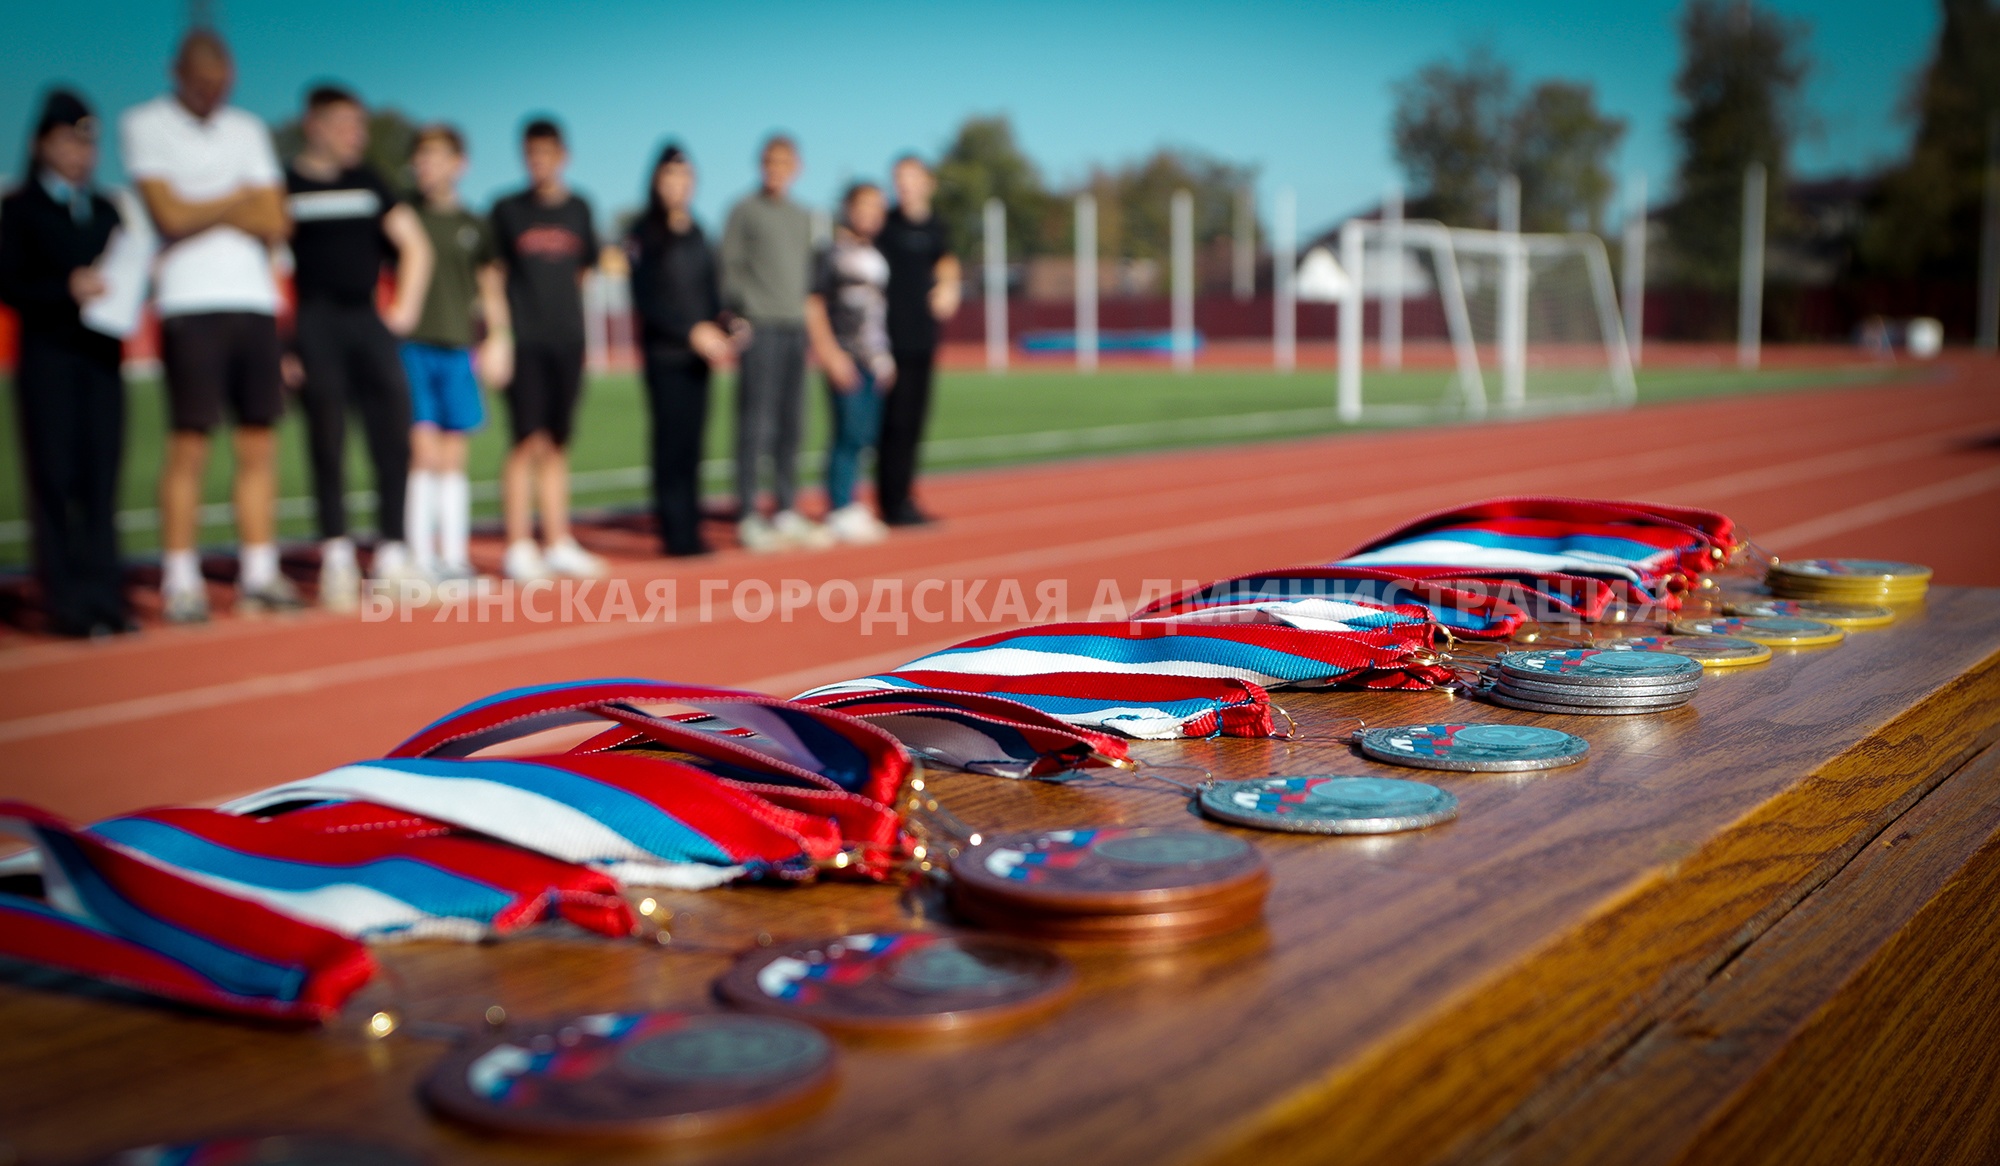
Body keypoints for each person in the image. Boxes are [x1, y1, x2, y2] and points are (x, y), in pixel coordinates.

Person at [121, 28, 295, 621]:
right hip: (189, 304)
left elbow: (275, 217)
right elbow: (166, 212)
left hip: (254, 302)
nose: (211, 91)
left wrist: (203, 204)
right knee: (190, 445)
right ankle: (181, 579)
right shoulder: (145, 124)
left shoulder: (247, 129)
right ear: (177, 72)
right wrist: (236, 201)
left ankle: (260, 572)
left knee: (258, 445)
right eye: (201, 81)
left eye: (221, 82)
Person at [284, 85, 433, 610]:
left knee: (393, 430)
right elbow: (272, 260)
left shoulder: (370, 182)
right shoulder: (288, 185)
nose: (358, 135)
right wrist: (287, 341)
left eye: (361, 125)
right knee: (326, 436)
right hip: (314, 320)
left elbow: (415, 243)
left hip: (368, 319)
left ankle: (393, 553)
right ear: (316, 125)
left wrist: (403, 312)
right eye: (348, 124)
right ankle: (338, 558)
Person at [0, 90, 132, 636]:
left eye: (87, 142)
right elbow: (9, 283)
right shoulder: (19, 209)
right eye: (66, 141)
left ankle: (108, 597)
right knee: (55, 477)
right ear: (39, 144)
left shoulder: (107, 211)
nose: (79, 153)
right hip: (49, 358)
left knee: (101, 481)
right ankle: (67, 603)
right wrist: (65, 288)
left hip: (103, 360)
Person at [488, 117, 605, 580]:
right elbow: (494, 275)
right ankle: (518, 545)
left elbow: (585, 273)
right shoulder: (507, 210)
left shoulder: (580, 208)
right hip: (525, 342)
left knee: (557, 442)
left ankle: (557, 540)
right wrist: (499, 335)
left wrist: (581, 332)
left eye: (547, 154)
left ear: (563, 157)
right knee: (525, 442)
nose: (539, 163)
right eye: (531, 154)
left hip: (567, 340)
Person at [401, 123, 508, 581]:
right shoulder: (404, 216)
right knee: (422, 451)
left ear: (459, 164)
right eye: (421, 156)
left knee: (452, 453)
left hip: (458, 348)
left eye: (438, 155)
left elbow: (490, 285)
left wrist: (501, 337)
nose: (428, 165)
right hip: (412, 347)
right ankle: (419, 559)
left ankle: (453, 557)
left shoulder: (473, 225)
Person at [626, 144, 742, 557]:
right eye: (669, 177)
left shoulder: (699, 233)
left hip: (699, 359)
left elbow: (712, 296)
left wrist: (729, 326)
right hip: (665, 356)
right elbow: (644, 300)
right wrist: (689, 331)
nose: (677, 186)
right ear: (656, 182)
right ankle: (674, 531)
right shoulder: (643, 234)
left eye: (684, 178)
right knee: (670, 444)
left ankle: (691, 526)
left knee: (694, 445)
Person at [720, 134, 823, 552]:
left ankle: (785, 507)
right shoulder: (743, 211)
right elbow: (729, 268)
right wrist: (740, 311)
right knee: (755, 424)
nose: (776, 169)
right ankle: (747, 512)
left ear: (796, 167)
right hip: (760, 327)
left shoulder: (804, 216)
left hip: (794, 327)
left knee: (791, 423)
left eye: (784, 162)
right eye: (769, 161)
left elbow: (808, 274)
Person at [805, 182, 894, 545]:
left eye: (878, 206)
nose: (872, 213)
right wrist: (829, 353)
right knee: (847, 432)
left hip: (875, 357)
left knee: (865, 435)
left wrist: (885, 356)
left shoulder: (875, 253)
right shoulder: (831, 254)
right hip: (845, 354)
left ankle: (853, 503)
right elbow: (813, 303)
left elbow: (878, 311)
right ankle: (839, 506)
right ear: (848, 208)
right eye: (865, 205)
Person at [876, 154, 960, 527]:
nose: (905, 185)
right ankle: (891, 502)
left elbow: (946, 263)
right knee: (890, 424)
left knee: (914, 424)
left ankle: (904, 496)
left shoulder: (937, 228)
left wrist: (949, 286)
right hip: (886, 340)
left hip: (923, 339)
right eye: (899, 178)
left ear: (929, 183)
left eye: (912, 177)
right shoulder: (885, 227)